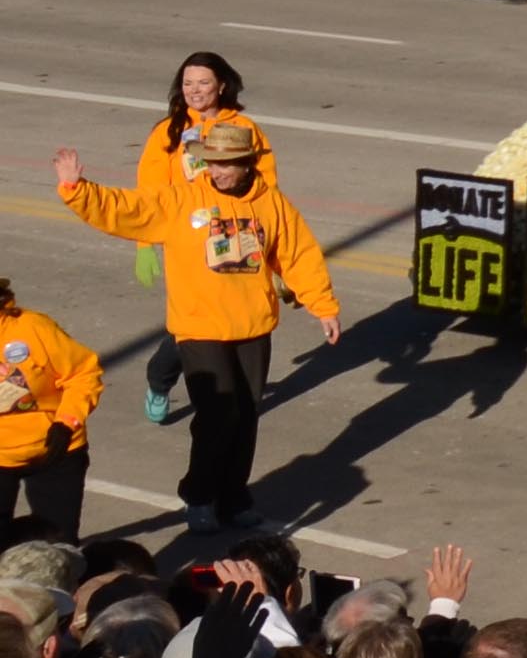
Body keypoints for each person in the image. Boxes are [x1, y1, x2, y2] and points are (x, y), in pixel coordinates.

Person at [56, 116, 336, 528]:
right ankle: (200, 496)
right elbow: (129, 210)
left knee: (245, 416)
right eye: (212, 163)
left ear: (248, 163)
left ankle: (234, 498)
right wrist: (79, 192)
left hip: (252, 326)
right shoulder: (182, 200)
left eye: (227, 164)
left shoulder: (271, 202)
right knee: (217, 415)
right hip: (199, 328)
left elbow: (298, 255)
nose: (218, 171)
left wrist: (323, 306)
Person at [132, 51, 276, 425]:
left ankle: (232, 400)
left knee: (228, 319)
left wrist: (274, 249)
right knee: (193, 324)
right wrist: (145, 244)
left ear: (222, 85)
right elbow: (150, 193)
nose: (195, 90)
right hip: (187, 239)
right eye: (187, 83)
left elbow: (268, 188)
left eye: (204, 83)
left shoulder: (244, 128)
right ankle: (160, 379)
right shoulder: (169, 132)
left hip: (237, 236)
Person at [0, 277, 102, 543]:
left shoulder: (33, 328)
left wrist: (66, 423)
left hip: (55, 449)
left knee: (59, 548)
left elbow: (83, 374)